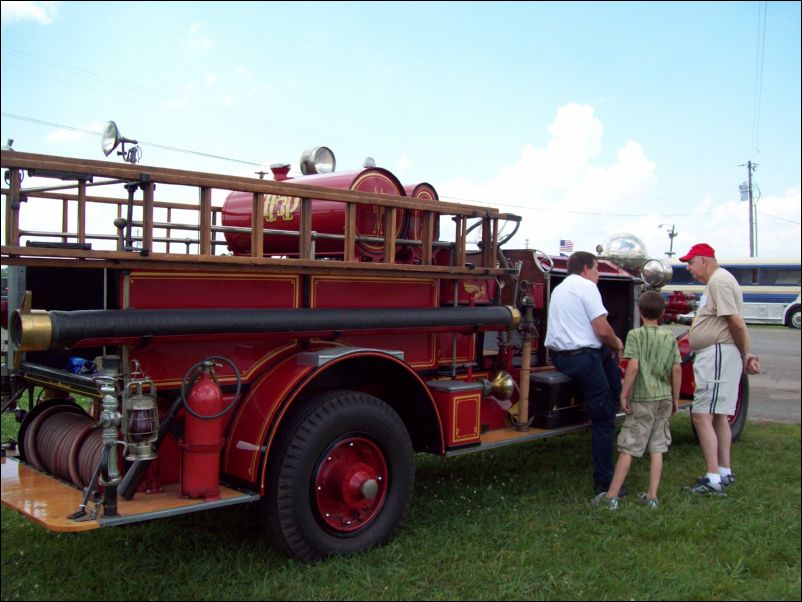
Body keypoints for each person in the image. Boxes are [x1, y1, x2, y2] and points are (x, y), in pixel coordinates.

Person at [679, 243, 760, 495]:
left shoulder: (719, 281)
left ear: (704, 260)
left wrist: (746, 353)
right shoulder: (719, 281)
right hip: (719, 353)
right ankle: (723, 472)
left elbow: (735, 322)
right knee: (719, 416)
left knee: (701, 415)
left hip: (717, 354)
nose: (689, 269)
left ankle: (713, 479)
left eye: (691, 263)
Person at [592, 290, 681, 510]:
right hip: (664, 397)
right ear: (662, 313)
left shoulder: (635, 335)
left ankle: (611, 497)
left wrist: (623, 394)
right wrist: (676, 398)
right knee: (657, 447)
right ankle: (652, 497)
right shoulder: (669, 337)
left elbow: (633, 367)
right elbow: (677, 369)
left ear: (640, 311)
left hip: (643, 398)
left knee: (628, 446)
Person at [545, 251, 624, 495]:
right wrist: (618, 344)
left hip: (561, 356)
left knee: (606, 356)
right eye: (597, 269)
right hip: (581, 358)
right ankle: (605, 483)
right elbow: (601, 329)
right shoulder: (587, 287)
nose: (599, 275)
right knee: (603, 420)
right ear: (586, 269)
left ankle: (616, 396)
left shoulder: (560, 287)